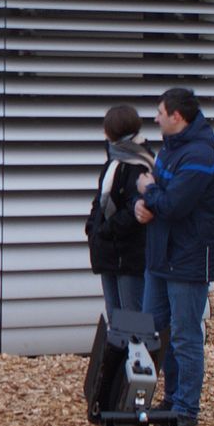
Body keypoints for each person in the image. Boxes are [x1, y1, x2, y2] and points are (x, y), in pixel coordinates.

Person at [133, 86, 214, 426]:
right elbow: (154, 194)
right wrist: (140, 205)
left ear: (177, 116)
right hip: (160, 257)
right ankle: (170, 398)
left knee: (185, 335)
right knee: (156, 331)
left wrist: (148, 194)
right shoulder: (169, 151)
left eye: (159, 112)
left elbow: (173, 204)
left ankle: (186, 408)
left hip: (187, 259)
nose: (155, 118)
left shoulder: (199, 155)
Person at [85, 103, 154, 317]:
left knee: (132, 315)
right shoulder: (114, 158)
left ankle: (138, 351)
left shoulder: (138, 162)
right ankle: (119, 350)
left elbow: (133, 207)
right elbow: (102, 198)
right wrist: (92, 226)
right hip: (109, 249)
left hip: (128, 252)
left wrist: (106, 230)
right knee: (114, 314)